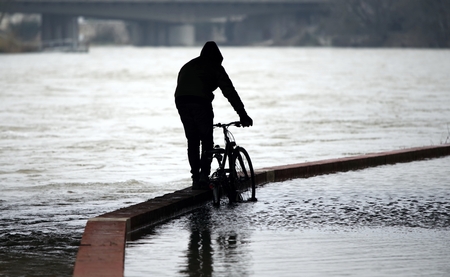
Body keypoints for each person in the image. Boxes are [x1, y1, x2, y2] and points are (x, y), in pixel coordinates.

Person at [175, 41, 253, 190]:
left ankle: (195, 179)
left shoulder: (189, 64)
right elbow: (230, 92)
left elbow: (183, 86)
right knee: (206, 140)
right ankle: (204, 176)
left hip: (181, 100)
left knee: (192, 140)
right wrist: (243, 115)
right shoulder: (215, 66)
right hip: (200, 101)